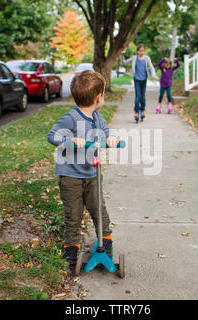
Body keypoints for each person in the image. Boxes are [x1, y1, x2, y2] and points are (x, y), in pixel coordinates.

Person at [47, 70, 120, 265]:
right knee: (74, 212)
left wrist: (111, 138)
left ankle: (106, 242)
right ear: (98, 97)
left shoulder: (98, 118)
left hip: (92, 173)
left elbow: (106, 131)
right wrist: (70, 140)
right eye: (103, 93)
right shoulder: (70, 118)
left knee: (99, 209)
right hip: (70, 176)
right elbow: (52, 136)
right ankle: (71, 248)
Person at [121, 43, 158, 123]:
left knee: (143, 97)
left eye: (143, 51)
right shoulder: (134, 58)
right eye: (140, 51)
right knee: (138, 96)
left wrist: (154, 75)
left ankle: (143, 109)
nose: (141, 52)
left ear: (144, 51)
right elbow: (124, 62)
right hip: (136, 79)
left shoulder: (147, 58)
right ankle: (136, 111)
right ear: (137, 51)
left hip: (144, 79)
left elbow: (151, 67)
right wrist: (122, 56)